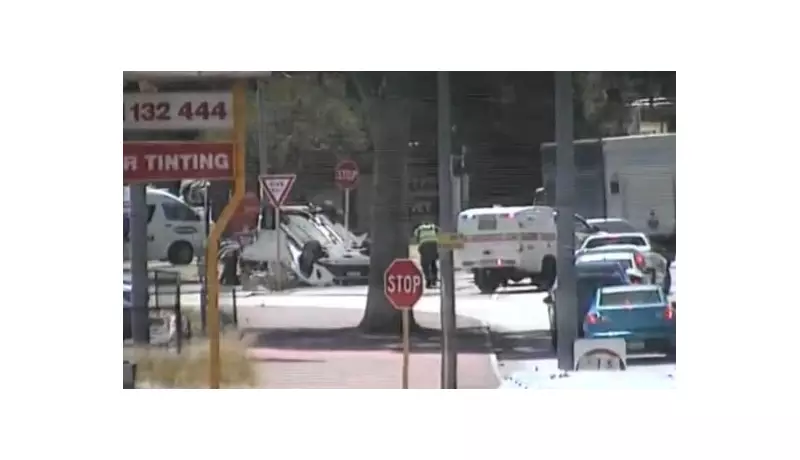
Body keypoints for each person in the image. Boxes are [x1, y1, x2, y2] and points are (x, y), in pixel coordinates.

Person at [414, 221, 440, 288]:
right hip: (434, 244)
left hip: (424, 245)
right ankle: (434, 279)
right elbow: (439, 233)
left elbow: (416, 237)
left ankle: (428, 279)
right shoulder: (433, 227)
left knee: (424, 264)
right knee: (433, 262)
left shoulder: (419, 228)